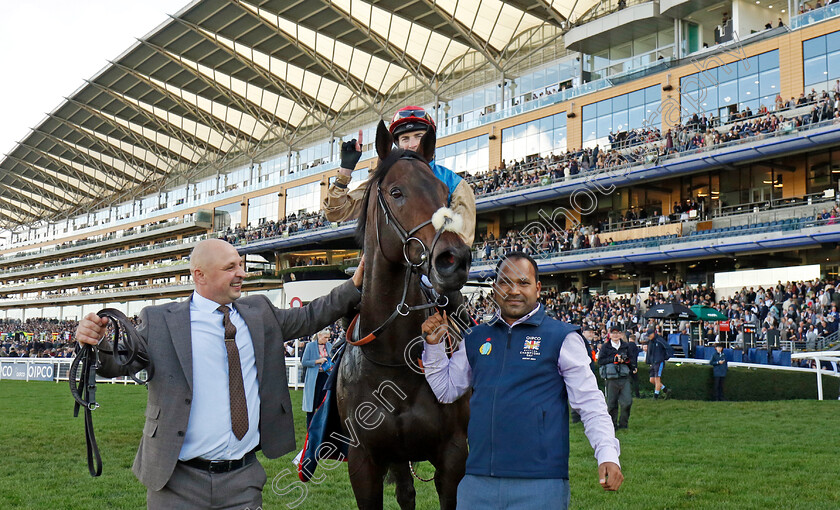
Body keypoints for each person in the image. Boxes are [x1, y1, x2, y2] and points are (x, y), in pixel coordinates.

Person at [74, 239, 364, 509]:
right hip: (175, 482)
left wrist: (354, 285)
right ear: (200, 275)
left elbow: (310, 316)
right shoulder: (160, 320)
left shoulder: (260, 311)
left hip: (243, 480)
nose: (242, 273)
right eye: (231, 268)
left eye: (241, 265)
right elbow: (120, 364)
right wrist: (97, 342)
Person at [421, 252, 623, 509]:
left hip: (540, 483)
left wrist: (607, 454)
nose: (514, 290)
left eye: (523, 283)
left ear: (537, 288)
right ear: (494, 289)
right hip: (477, 483)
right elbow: (446, 391)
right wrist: (435, 347)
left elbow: (591, 404)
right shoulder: (475, 337)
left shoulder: (562, 337)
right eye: (505, 283)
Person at [322, 106, 477, 245]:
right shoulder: (381, 182)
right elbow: (336, 213)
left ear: (430, 141)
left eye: (419, 136)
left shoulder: (456, 185)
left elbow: (462, 241)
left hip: (431, 269)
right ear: (397, 144)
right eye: (405, 139)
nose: (412, 144)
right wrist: (345, 170)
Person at [597, 326, 636, 429]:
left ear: (620, 334)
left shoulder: (626, 346)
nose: (615, 335)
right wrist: (613, 359)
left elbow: (632, 361)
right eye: (613, 333)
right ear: (610, 334)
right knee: (611, 404)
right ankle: (612, 425)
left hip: (624, 377)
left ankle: (624, 424)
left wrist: (626, 361)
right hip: (611, 378)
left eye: (617, 333)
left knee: (627, 402)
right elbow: (600, 361)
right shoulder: (605, 347)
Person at [301, 328, 333, 427]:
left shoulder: (329, 346)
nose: (327, 340)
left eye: (328, 338)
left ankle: (321, 427)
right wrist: (317, 361)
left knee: (323, 403)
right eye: (325, 337)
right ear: (319, 336)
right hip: (314, 379)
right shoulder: (310, 346)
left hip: (326, 376)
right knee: (312, 404)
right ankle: (310, 428)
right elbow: (304, 362)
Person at [646, 327, 673, 399]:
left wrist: (665, 357)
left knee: (657, 379)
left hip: (659, 362)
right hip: (653, 362)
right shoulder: (650, 342)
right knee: (652, 380)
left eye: (649, 335)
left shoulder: (660, 340)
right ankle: (666, 390)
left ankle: (655, 396)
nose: (648, 337)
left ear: (653, 333)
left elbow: (669, 348)